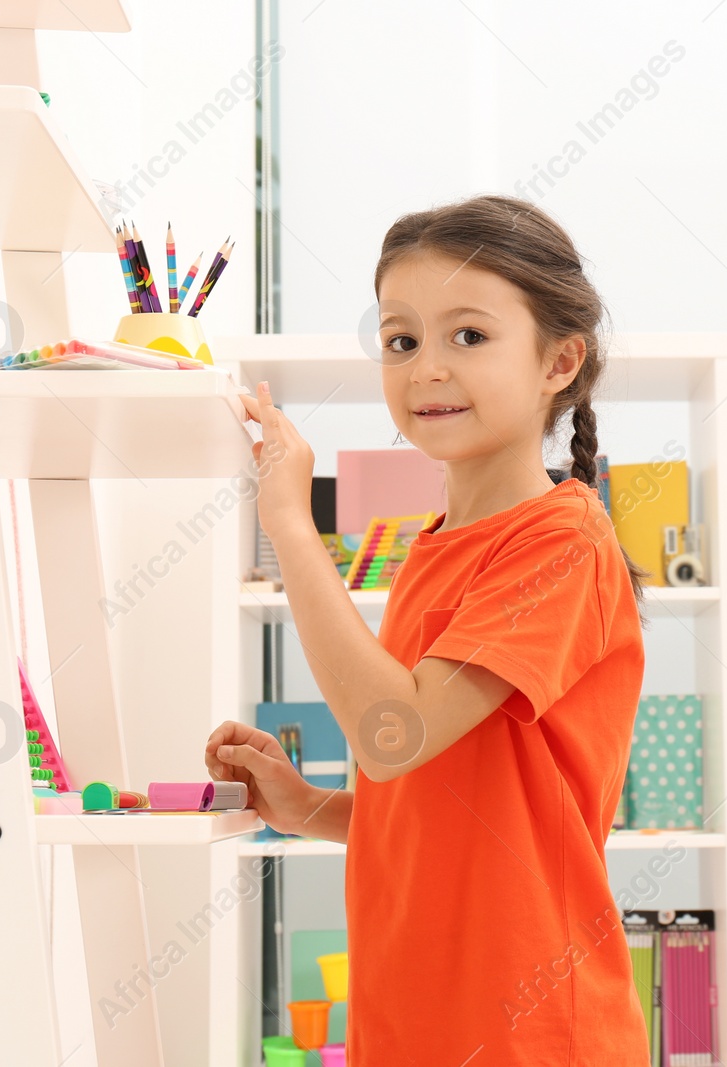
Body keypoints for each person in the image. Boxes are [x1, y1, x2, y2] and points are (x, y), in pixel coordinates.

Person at [206, 194, 653, 1064]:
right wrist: (310, 809)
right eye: (402, 340)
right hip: (414, 1026)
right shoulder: (433, 549)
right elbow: (441, 800)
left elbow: (392, 733)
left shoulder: (562, 542)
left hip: (529, 1034)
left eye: (469, 337)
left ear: (561, 360)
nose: (426, 370)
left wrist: (290, 524)